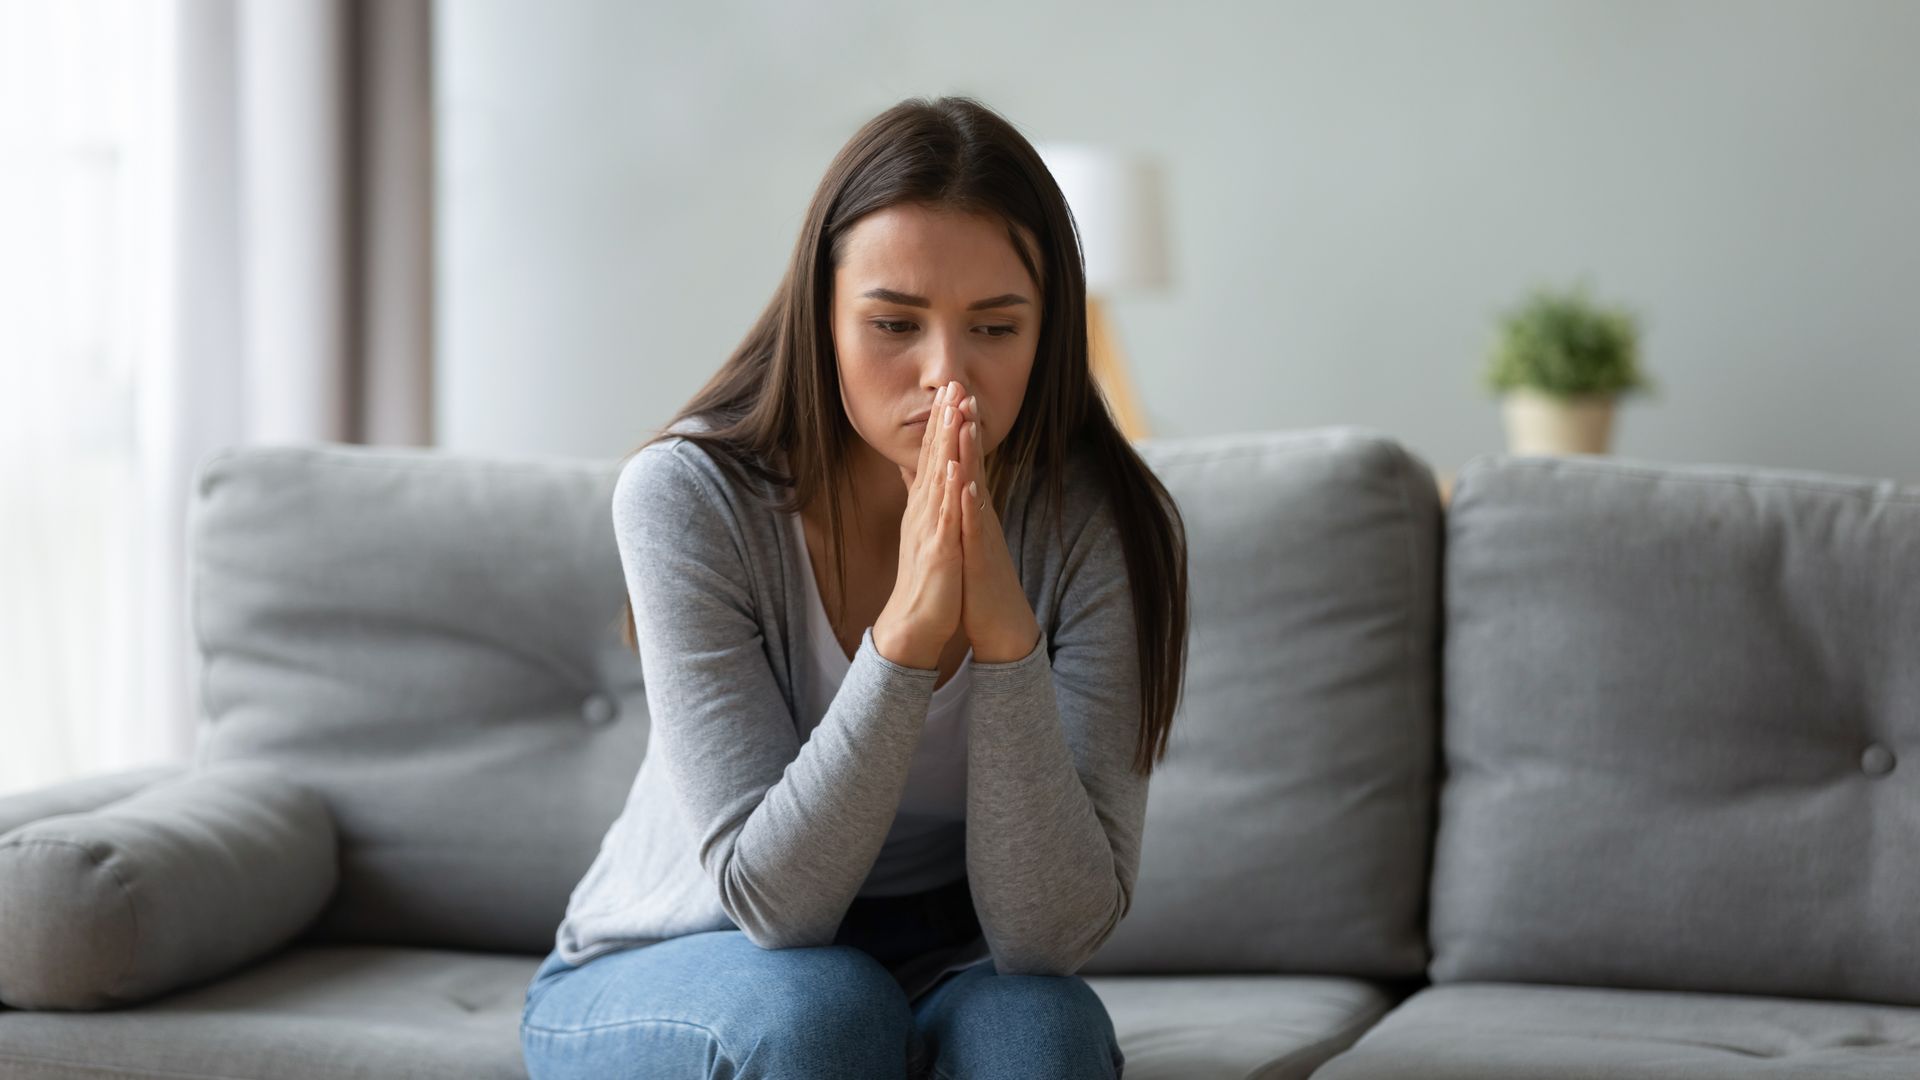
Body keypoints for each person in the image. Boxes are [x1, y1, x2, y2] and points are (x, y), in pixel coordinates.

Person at [520, 94, 1189, 1080]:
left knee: (1046, 1036)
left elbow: (1049, 939)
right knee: (827, 1014)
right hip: (685, 954)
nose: (944, 377)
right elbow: (775, 903)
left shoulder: (1103, 525)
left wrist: (1007, 638)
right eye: (893, 324)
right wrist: (909, 637)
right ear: (821, 318)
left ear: (1050, 335)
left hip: (948, 962)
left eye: (995, 328)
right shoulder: (688, 498)